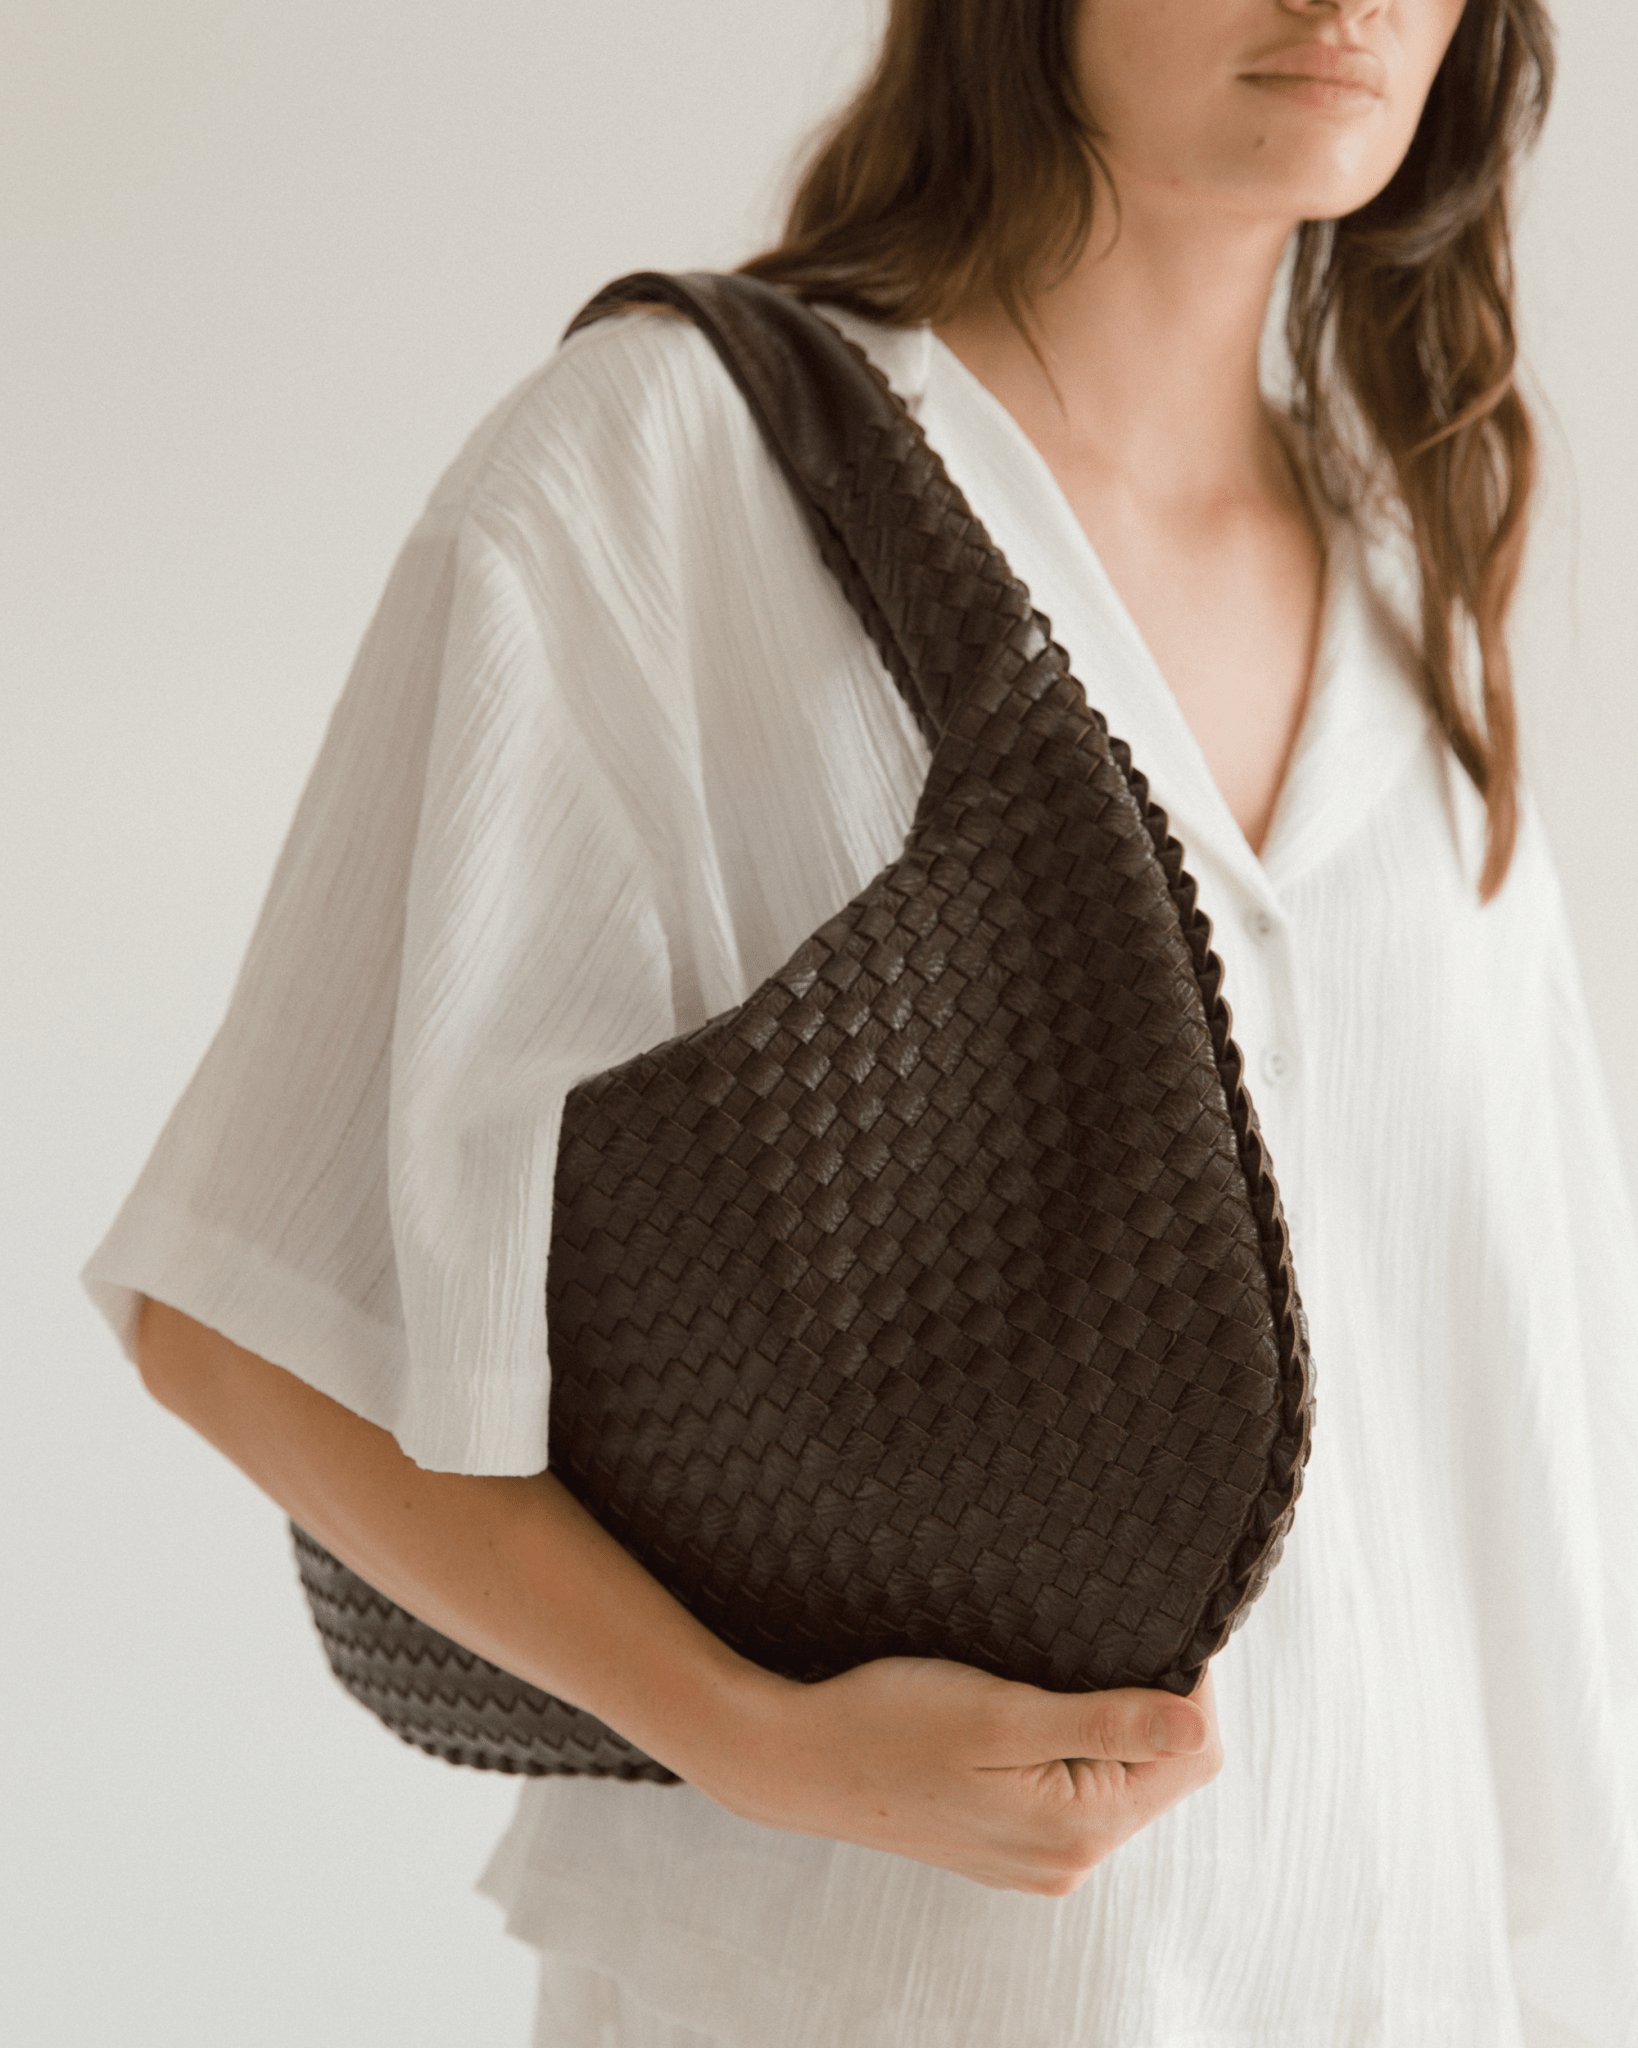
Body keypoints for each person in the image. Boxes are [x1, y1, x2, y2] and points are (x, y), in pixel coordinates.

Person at [83, 0, 1638, 2041]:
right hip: (857, 1988)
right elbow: (248, 1296)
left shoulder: (1412, 574)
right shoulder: (669, 476)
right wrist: (757, 1737)